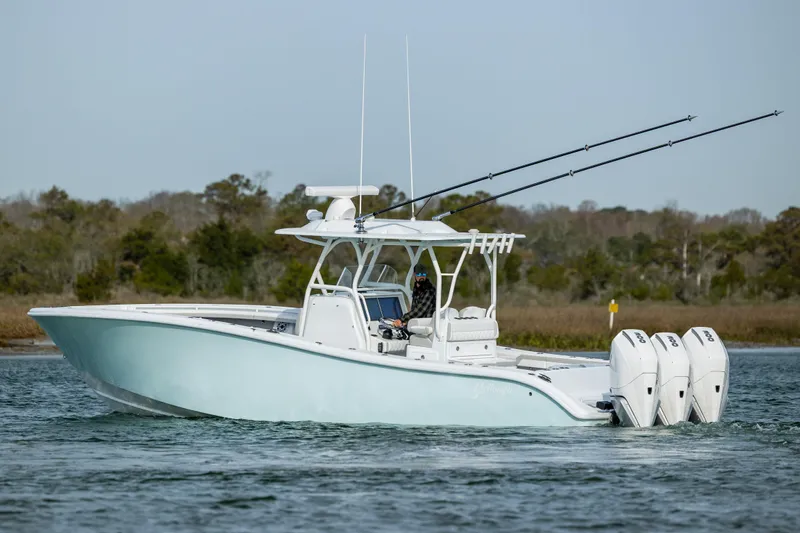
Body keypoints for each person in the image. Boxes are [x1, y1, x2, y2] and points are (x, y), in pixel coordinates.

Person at [393, 263, 436, 328]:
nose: (421, 277)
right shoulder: (417, 288)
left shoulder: (429, 290)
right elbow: (414, 309)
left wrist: (402, 319)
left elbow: (420, 311)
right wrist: (406, 322)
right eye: (419, 274)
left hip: (427, 324)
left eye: (423, 274)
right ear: (414, 275)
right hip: (419, 322)